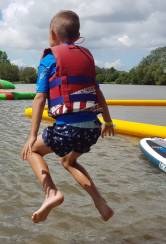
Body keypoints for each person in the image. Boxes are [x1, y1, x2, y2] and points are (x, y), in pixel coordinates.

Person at [21, 10, 115, 224]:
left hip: (67, 129)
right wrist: (108, 121)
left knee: (33, 150)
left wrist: (32, 134)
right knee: (68, 161)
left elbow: (40, 97)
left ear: (52, 33)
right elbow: (98, 93)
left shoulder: (48, 59)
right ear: (77, 34)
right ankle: (101, 204)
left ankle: (51, 193)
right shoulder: (86, 57)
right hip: (92, 129)